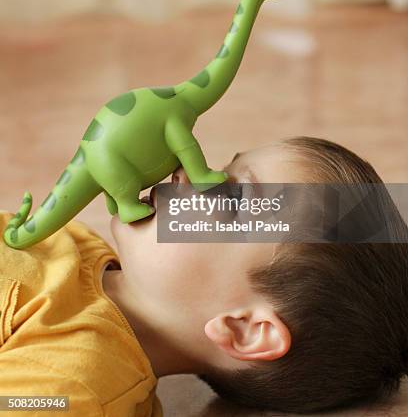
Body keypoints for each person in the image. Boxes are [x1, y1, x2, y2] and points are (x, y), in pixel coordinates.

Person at [1, 137, 407, 415]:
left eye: (231, 194)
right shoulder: (81, 245)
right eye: (220, 168)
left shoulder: (77, 383)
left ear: (246, 329)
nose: (186, 170)